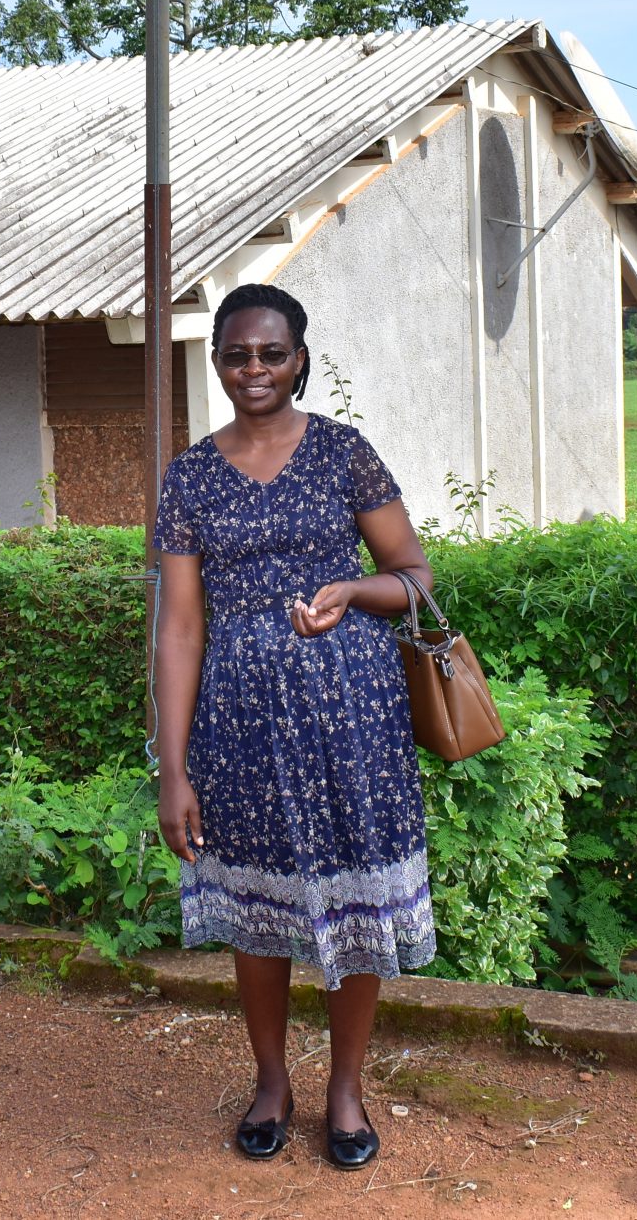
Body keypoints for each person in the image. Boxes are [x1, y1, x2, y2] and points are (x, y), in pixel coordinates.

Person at [151, 283, 435, 1170]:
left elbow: (418, 578)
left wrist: (352, 591)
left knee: (354, 900)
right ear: (217, 363)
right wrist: (173, 766)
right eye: (237, 354)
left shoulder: (345, 454)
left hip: (352, 722)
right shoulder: (190, 476)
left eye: (272, 353)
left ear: (299, 357)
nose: (255, 369)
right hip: (236, 730)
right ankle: (271, 1080)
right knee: (254, 913)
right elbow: (180, 625)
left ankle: (343, 1087)